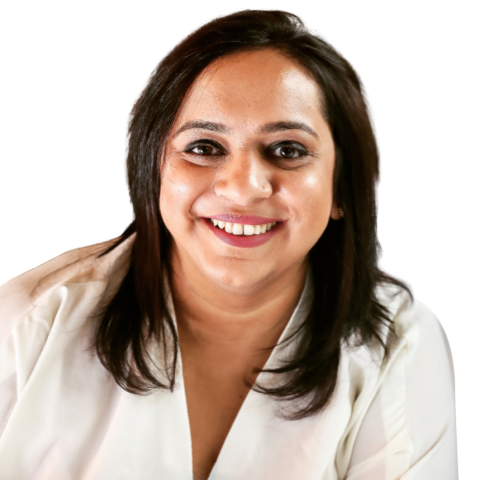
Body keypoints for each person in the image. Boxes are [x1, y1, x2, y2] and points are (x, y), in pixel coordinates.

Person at [0, 8, 458, 480]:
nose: (242, 189)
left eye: (287, 150)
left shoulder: (401, 346)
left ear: (342, 187)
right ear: (153, 169)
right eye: (204, 148)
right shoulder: (22, 324)